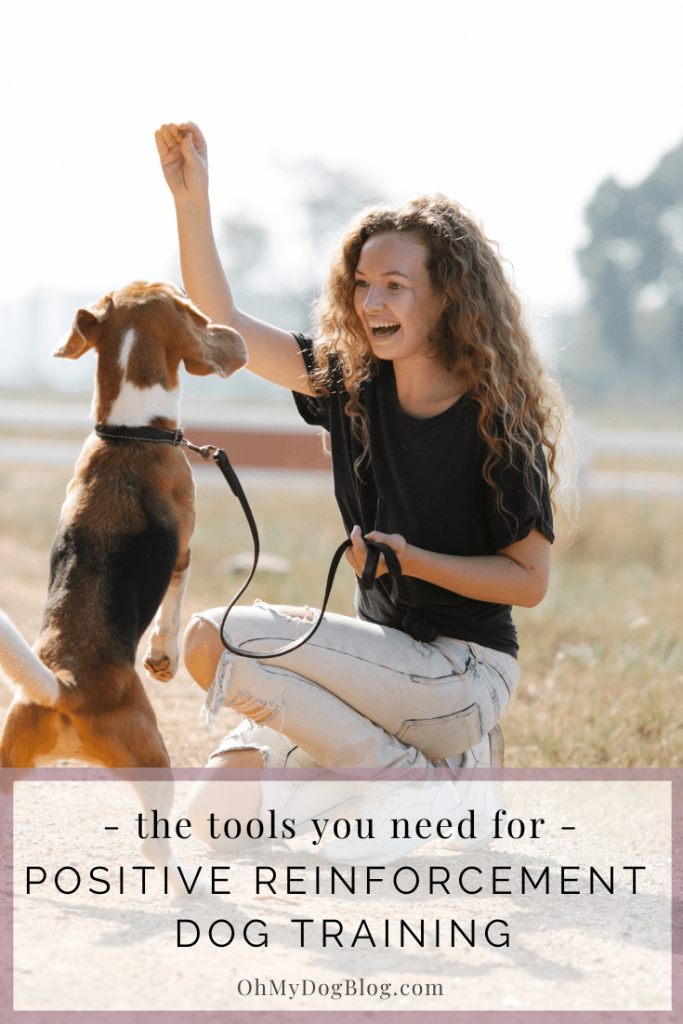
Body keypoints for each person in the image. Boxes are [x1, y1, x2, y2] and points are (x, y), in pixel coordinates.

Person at [155, 121, 566, 865]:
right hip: (377, 669)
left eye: (395, 286)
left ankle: (418, 787)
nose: (372, 300)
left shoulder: (497, 421)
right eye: (362, 284)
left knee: (212, 639)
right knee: (219, 817)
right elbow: (226, 327)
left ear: (447, 298)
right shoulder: (349, 383)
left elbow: (529, 582)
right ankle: (444, 784)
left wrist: (414, 560)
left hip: (461, 675)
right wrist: (192, 201)